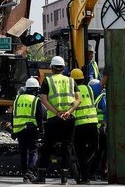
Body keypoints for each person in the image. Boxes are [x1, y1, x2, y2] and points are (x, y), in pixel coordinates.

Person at [32, 56, 81, 185]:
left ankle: (41, 176)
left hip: (54, 119)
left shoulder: (48, 81)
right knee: (67, 147)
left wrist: (56, 113)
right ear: (63, 68)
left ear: (51, 68)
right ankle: (64, 178)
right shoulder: (71, 81)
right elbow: (78, 99)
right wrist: (69, 112)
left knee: (47, 146)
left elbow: (43, 99)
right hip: (69, 119)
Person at [12, 77, 43, 183]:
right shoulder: (35, 100)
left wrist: (13, 130)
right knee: (33, 151)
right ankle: (30, 173)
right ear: (35, 89)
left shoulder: (17, 99)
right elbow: (39, 117)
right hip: (32, 129)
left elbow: (13, 115)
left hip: (19, 130)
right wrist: (42, 130)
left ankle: (25, 173)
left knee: (23, 152)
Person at [70, 69, 99, 185]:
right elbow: (101, 85)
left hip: (78, 125)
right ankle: (84, 170)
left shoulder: (71, 91)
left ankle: (84, 176)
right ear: (83, 78)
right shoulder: (89, 89)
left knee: (80, 151)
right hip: (92, 123)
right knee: (95, 148)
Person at [88, 79, 108, 180]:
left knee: (98, 152)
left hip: (95, 128)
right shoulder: (102, 97)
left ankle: (92, 173)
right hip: (101, 129)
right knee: (102, 152)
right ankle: (98, 173)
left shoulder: (91, 98)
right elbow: (105, 111)